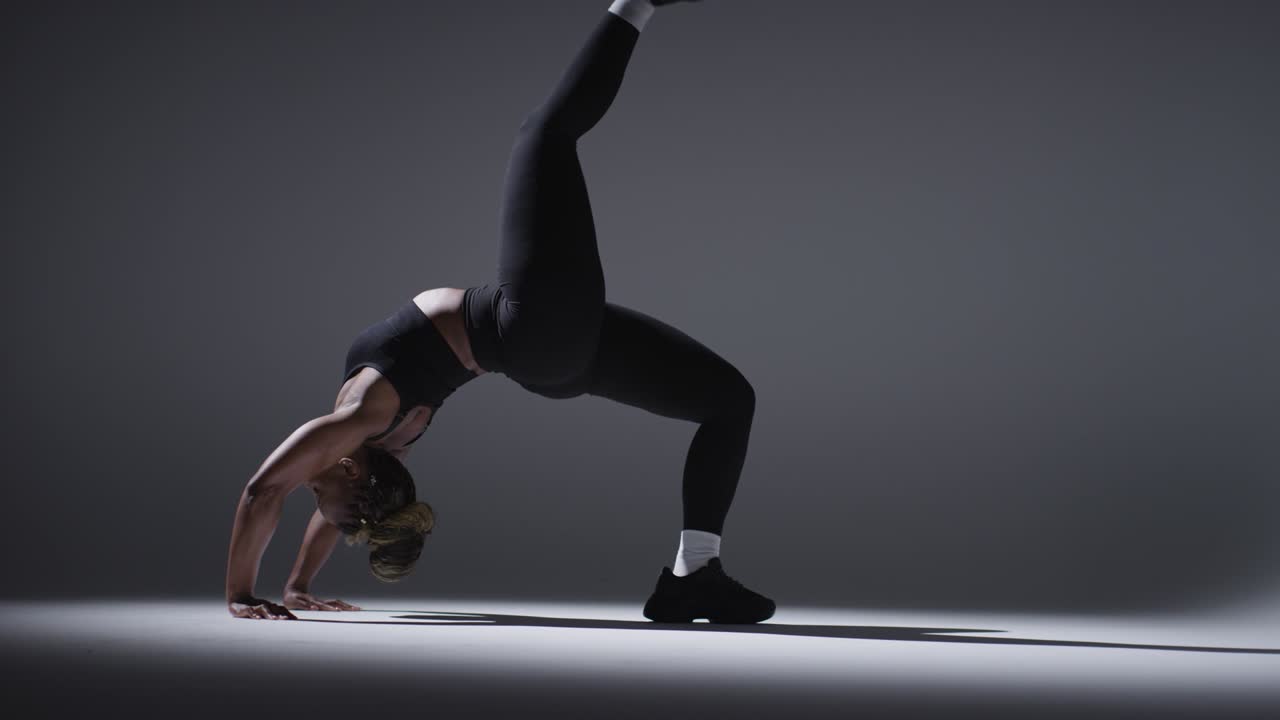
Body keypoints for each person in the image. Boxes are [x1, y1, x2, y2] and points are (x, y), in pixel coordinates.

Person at [225, 0, 775, 624]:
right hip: (533, 327)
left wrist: (295, 585)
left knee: (729, 400)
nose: (311, 493)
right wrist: (241, 594)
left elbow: (314, 502)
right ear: (348, 467)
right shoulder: (366, 423)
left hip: (549, 359)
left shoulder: (377, 444)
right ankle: (638, 2)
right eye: (320, 494)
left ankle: (693, 576)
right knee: (543, 135)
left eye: (318, 497)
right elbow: (266, 490)